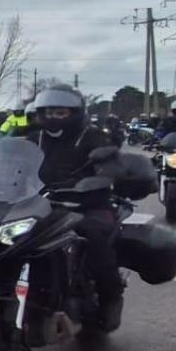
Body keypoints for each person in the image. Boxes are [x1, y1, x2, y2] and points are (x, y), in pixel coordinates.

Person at [22, 85, 127, 331]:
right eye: (49, 112)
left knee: (95, 235)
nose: (53, 118)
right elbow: (9, 161)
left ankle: (110, 296)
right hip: (41, 204)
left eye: (60, 113)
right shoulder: (33, 137)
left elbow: (111, 164)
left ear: (75, 113)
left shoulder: (93, 136)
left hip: (87, 204)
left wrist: (104, 175)